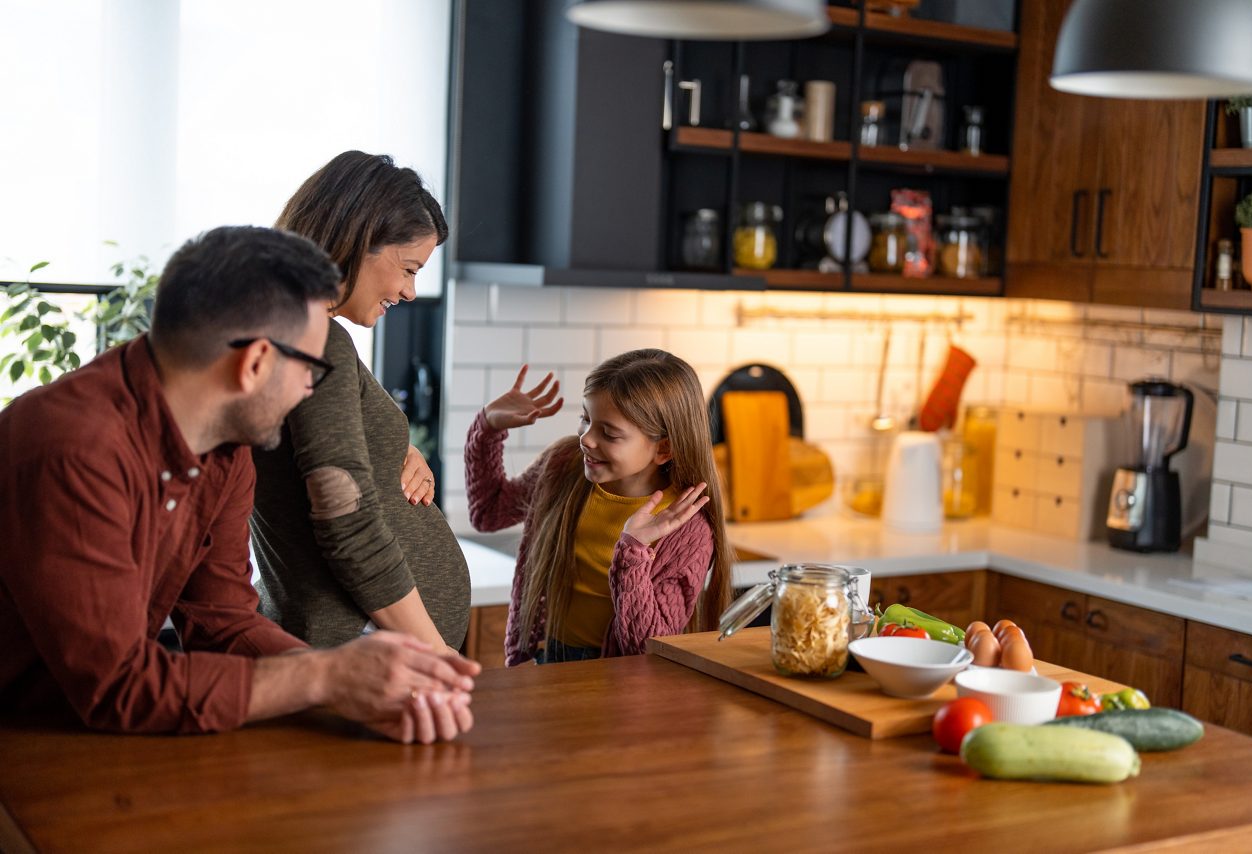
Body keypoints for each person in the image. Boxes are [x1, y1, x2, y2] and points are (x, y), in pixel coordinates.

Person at [0, 226, 478, 743]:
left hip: (92, 735)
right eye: (311, 370)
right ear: (253, 364)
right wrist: (324, 676)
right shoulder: (74, 448)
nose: (310, 390)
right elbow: (118, 686)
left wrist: (352, 686)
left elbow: (221, 621)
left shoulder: (226, 451)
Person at [250, 151, 470, 652]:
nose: (411, 292)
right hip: (370, 643)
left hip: (358, 638)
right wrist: (437, 654)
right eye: (409, 268)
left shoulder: (279, 329)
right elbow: (345, 519)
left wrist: (396, 451)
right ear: (357, 239)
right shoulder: (313, 336)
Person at [465, 349, 733, 665]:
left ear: (664, 448)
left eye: (609, 433)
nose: (587, 439)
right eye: (585, 418)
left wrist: (633, 552)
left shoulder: (687, 528)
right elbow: (489, 513)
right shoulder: (564, 466)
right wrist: (488, 429)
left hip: (616, 678)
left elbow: (645, 648)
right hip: (547, 658)